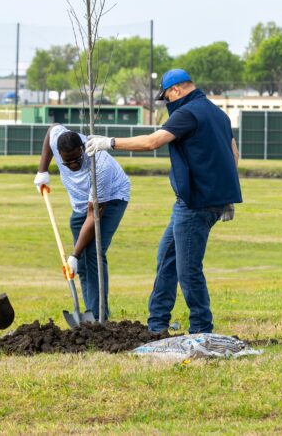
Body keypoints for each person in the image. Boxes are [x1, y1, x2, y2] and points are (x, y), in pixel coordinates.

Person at [86, 68, 241, 334]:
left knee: (188, 269)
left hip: (193, 205)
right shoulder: (218, 114)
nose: (167, 102)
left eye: (167, 96)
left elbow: (152, 142)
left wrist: (109, 142)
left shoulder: (187, 113)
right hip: (206, 202)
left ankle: (202, 330)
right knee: (167, 258)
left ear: (176, 90)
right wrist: (222, 195)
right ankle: (157, 325)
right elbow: (233, 155)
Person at [35, 123, 130, 321]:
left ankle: (97, 316)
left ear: (83, 148)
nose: (72, 165)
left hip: (112, 199)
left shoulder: (99, 164)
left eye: (76, 159)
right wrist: (42, 171)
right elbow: (52, 128)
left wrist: (74, 255)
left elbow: (93, 214)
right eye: (66, 162)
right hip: (80, 203)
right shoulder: (58, 140)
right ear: (59, 153)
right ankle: (90, 313)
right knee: (84, 262)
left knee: (92, 253)